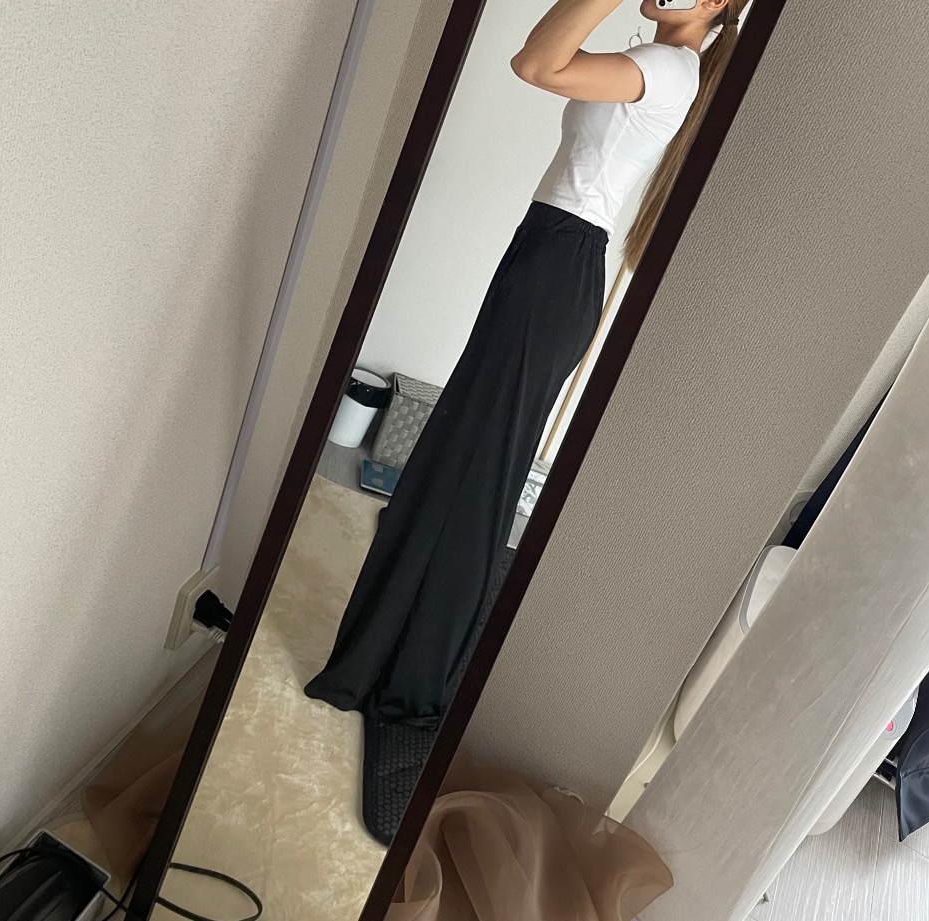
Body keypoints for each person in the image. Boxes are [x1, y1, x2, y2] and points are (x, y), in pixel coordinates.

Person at [305, 0, 746, 844]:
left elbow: (536, 64)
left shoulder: (671, 68)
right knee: (455, 468)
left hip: (556, 266)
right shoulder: (656, 59)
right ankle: (383, 656)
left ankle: (412, 683)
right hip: (548, 255)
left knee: (473, 487)